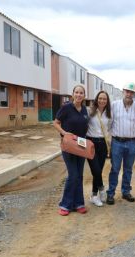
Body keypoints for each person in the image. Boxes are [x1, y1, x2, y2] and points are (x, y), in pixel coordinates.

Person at [53, 85, 89, 216]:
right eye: (77, 92)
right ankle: (65, 204)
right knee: (73, 175)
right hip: (68, 146)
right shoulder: (66, 108)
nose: (79, 95)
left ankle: (78, 204)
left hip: (81, 146)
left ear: (84, 95)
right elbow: (56, 122)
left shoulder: (85, 110)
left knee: (79, 175)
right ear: (72, 94)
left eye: (81, 93)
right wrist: (64, 133)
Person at [106, 82, 135, 205]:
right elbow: (109, 123)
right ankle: (110, 194)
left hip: (132, 143)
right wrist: (109, 141)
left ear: (134, 94)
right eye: (127, 91)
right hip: (117, 142)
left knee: (128, 169)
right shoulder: (114, 105)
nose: (129, 94)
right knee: (115, 169)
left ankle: (126, 192)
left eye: (132, 92)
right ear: (123, 91)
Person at [86, 90, 112, 207]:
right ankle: (101, 190)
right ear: (97, 99)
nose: (102, 101)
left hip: (103, 144)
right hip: (91, 143)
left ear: (107, 101)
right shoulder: (89, 111)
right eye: (100, 98)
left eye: (104, 99)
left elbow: (109, 129)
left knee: (98, 171)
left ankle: (93, 196)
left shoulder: (109, 114)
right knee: (95, 170)